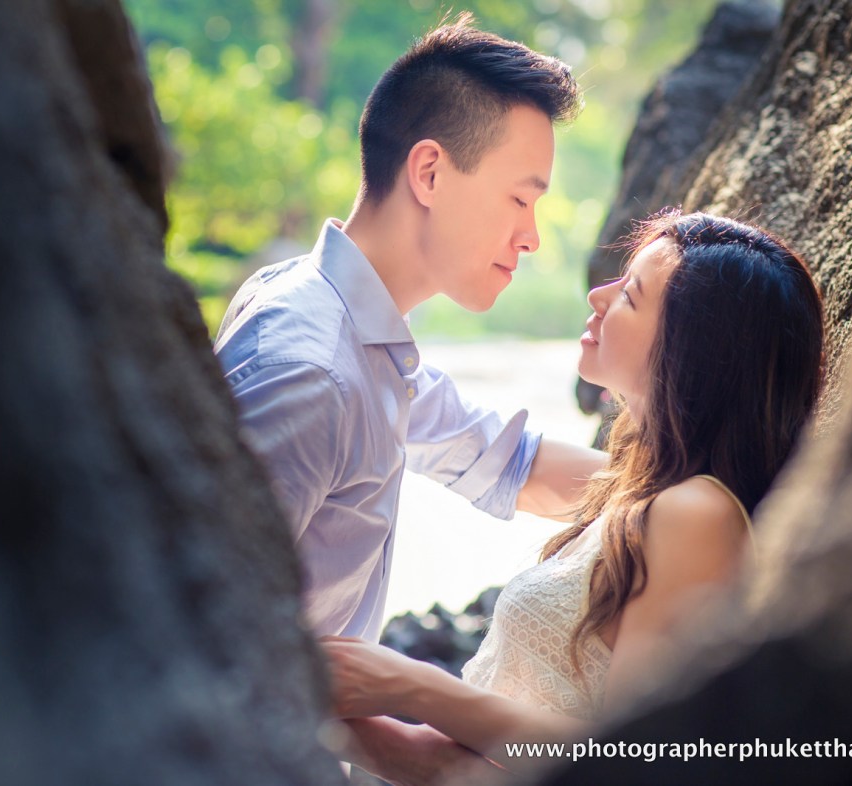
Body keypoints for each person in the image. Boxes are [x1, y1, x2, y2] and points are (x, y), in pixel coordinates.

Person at [322, 210, 827, 780]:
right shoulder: (638, 492)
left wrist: (413, 686)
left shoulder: (697, 516)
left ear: (696, 353)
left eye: (631, 295)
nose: (598, 294)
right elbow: (498, 453)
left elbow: (635, 760)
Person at [216, 16, 602, 642]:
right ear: (429, 173)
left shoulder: (362, 339)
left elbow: (506, 463)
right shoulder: (310, 370)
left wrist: (697, 498)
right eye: (520, 200)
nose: (530, 236)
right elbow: (208, 625)